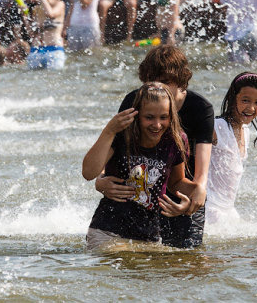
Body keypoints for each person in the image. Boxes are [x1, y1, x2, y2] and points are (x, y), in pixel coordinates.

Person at [96, 46, 214, 248]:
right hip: (144, 189)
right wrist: (101, 179)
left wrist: (198, 192)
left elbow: (202, 167)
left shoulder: (200, 108)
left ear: (181, 81)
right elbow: (114, 145)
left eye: (166, 82)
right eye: (152, 81)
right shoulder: (136, 100)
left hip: (181, 189)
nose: (158, 88)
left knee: (186, 256)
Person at [83, 82, 201, 250]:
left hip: (148, 236)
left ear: (171, 116)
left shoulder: (176, 140)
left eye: (163, 117)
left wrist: (195, 194)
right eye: (149, 117)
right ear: (137, 115)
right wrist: (109, 130)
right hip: (108, 231)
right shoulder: (122, 135)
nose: (157, 124)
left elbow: (176, 182)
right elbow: (88, 172)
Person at [206, 72, 257, 225]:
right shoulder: (217, 127)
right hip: (210, 209)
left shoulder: (245, 130)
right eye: (245, 100)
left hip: (229, 211)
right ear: (232, 98)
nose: (251, 108)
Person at [27, 0, 65, 69]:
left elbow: (51, 14)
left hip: (54, 50)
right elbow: (31, 33)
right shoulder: (36, 8)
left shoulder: (59, 4)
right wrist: (24, 15)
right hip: (36, 50)